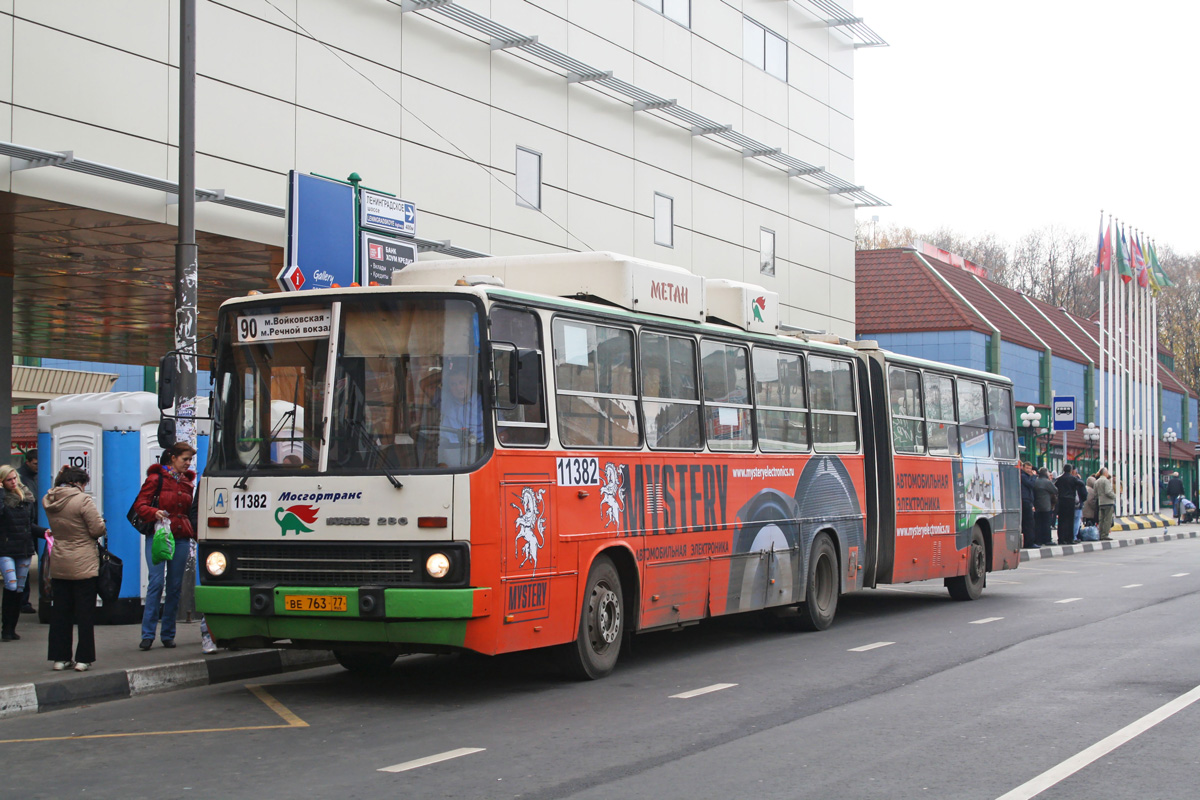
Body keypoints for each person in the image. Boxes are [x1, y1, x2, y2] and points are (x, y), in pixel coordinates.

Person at [133, 442, 197, 651]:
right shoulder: (156, 479)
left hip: (180, 537)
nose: (188, 463)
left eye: (189, 460)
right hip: (158, 535)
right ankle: (148, 634)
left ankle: (168, 634)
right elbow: (140, 505)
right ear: (173, 458)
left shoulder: (188, 483)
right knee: (156, 583)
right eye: (184, 459)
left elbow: (191, 512)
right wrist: (154, 513)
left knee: (175, 586)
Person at [42, 465, 106, 671]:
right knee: (84, 613)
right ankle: (83, 658)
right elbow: (97, 529)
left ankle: (60, 658)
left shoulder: (50, 500)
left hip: (60, 561)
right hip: (83, 563)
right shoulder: (83, 500)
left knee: (60, 613)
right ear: (78, 483)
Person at [0, 465, 38, 641]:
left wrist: (45, 532)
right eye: (9, 479)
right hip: (6, 548)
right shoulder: (3, 499)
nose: (13, 482)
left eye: (14, 478)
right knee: (12, 585)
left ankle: (11, 628)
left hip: (24, 547)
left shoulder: (26, 497)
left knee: (19, 589)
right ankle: (5, 628)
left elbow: (30, 525)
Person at [16, 449, 43, 613]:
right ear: (28, 462)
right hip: (27, 525)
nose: (38, 467)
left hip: (35, 524)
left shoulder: (35, 476)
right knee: (23, 564)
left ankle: (24, 600)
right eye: (35, 464)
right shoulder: (20, 478)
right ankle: (22, 601)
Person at [1033, 467, 1058, 547]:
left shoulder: (1035, 481)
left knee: (1038, 523)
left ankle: (1038, 540)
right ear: (1045, 473)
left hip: (1037, 505)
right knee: (1046, 523)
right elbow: (1055, 490)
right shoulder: (1047, 482)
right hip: (1046, 505)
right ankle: (1047, 540)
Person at [1095, 467, 1116, 541]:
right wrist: (1114, 496)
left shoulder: (1097, 481)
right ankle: (1105, 535)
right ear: (1105, 473)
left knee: (1101, 519)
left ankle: (1100, 534)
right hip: (1108, 502)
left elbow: (1095, 492)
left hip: (1101, 502)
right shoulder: (1106, 481)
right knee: (1107, 519)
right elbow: (1108, 492)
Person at [1019, 461, 1037, 548]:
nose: (1029, 470)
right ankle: (1029, 543)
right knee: (1029, 523)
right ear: (1023, 468)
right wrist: (1033, 477)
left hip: (1028, 500)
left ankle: (1028, 542)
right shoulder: (1023, 476)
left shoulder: (1027, 476)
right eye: (1027, 468)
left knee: (1028, 522)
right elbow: (1032, 485)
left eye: (1030, 468)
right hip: (1025, 501)